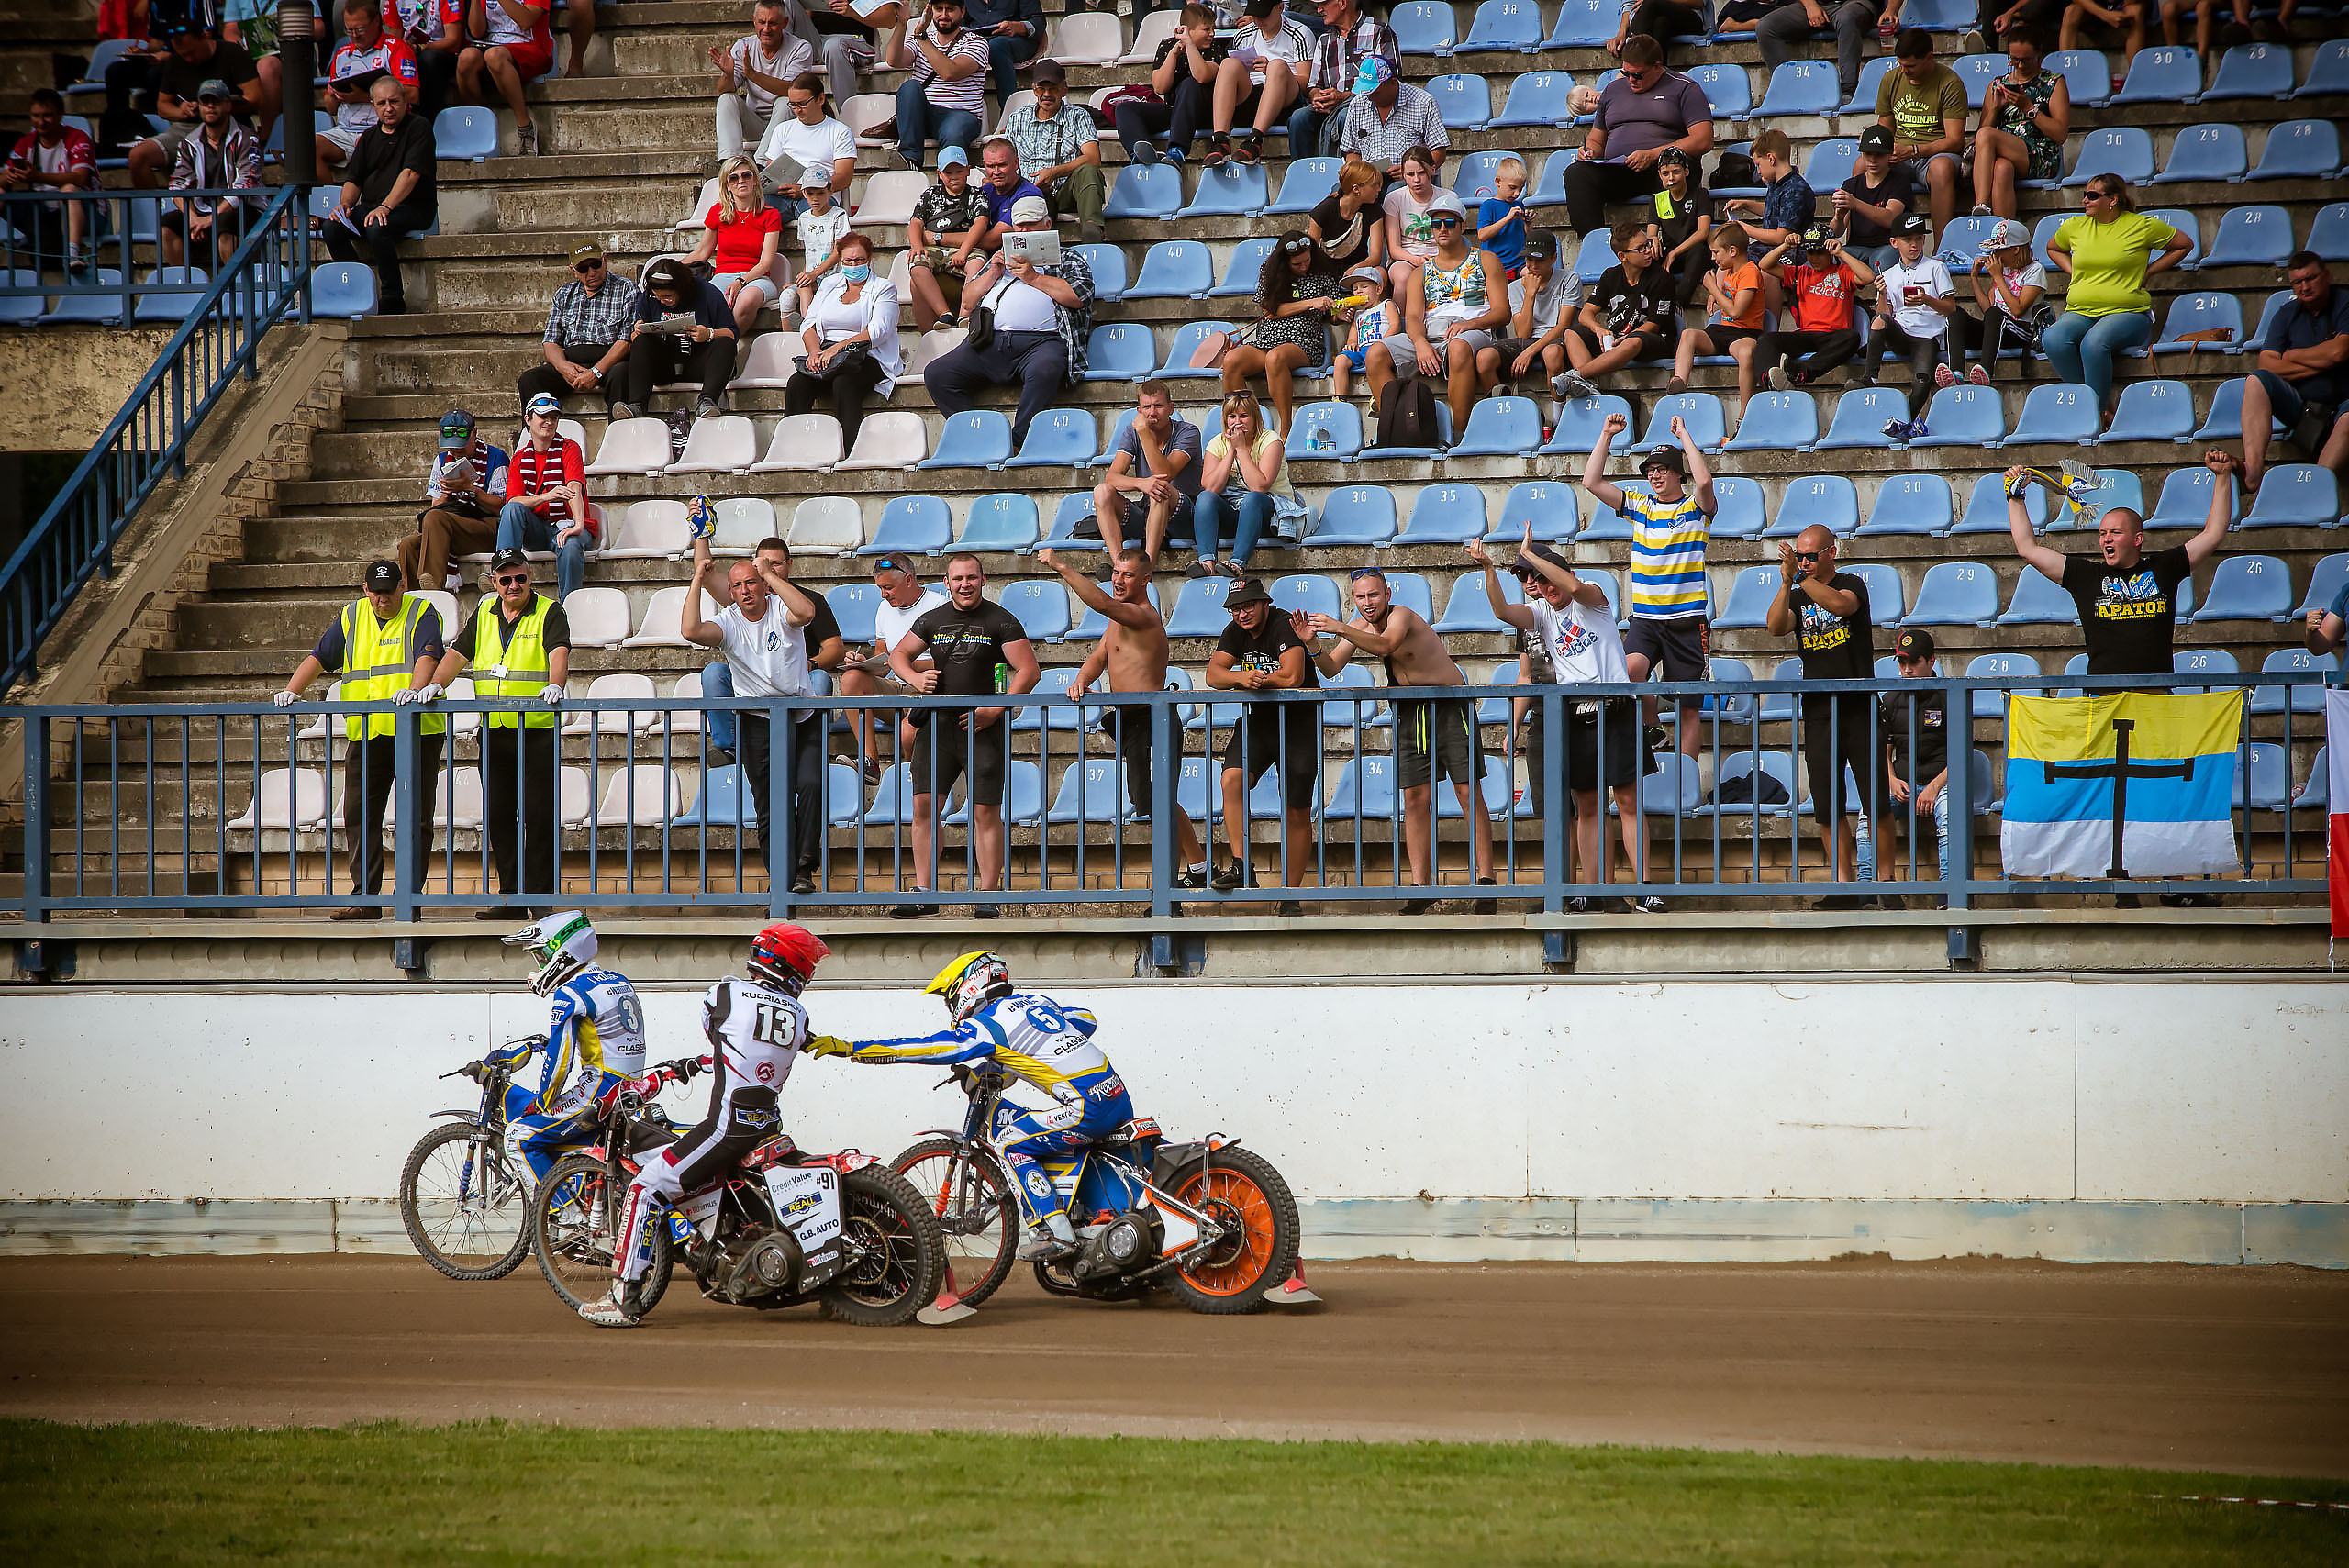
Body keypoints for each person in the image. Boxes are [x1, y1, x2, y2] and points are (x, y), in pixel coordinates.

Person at [803, 950, 1130, 1262]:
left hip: (1087, 1108)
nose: (952, 1006)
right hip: (1117, 1095)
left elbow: (927, 1048)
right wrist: (1011, 1061)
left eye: (951, 997)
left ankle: (1055, 1233)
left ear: (969, 985)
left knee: (1011, 1141)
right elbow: (1086, 1019)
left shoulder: (986, 1025)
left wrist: (852, 1049)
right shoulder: (1036, 1003)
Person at [580, 920, 831, 1325]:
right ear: (791, 968)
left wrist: (674, 1071)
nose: (806, 975)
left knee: (646, 1187)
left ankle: (623, 1299)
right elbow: (746, 1055)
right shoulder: (799, 1015)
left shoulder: (726, 992)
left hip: (726, 1127)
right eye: (805, 968)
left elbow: (719, 1037)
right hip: (766, 1123)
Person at [1468, 528, 1655, 913]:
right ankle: (1591, 891)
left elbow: (1572, 585)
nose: (1542, 585)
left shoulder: (1594, 601)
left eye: (1547, 577)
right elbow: (1503, 612)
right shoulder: (1539, 614)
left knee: (1628, 802)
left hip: (1615, 708)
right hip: (1573, 714)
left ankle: (1646, 888)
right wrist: (1489, 567)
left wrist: (1532, 556)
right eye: (1535, 580)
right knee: (1586, 807)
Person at [1299, 568, 1497, 914]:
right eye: (1360, 597)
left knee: (1466, 791)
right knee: (1415, 798)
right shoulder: (1359, 624)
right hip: (1410, 711)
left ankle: (1486, 881)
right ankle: (1422, 885)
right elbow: (1330, 668)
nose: (1367, 603)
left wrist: (1339, 627)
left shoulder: (1402, 615)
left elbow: (1387, 644)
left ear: (1387, 594)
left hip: (1449, 706)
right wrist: (1313, 644)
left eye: (1372, 595)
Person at [272, 560, 446, 921]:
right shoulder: (352, 616)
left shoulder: (422, 612)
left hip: (415, 730)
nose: (383, 599)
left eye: (389, 591)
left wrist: (414, 691)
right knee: (358, 813)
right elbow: (321, 656)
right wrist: (291, 690)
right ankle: (365, 897)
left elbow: (428, 656)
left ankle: (408, 900)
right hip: (367, 733)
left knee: (416, 818)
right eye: (376, 592)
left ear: (402, 586)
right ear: (366, 590)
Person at [1040, 548, 1208, 882]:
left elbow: (1102, 604)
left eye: (1127, 575)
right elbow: (1099, 657)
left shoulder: (1144, 615)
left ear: (1145, 580)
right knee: (1153, 802)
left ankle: (1179, 880)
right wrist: (1081, 681)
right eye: (1116, 573)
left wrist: (1060, 565)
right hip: (1130, 721)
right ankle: (1192, 871)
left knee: (1158, 801)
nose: (1118, 580)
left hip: (1153, 717)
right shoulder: (1117, 624)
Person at [888, 554, 1042, 918]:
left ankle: (989, 895)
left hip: (982, 728)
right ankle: (924, 892)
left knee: (985, 811)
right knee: (923, 807)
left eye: (971, 577)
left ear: (983, 579)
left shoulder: (1000, 619)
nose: (965, 584)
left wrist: (997, 708)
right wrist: (914, 678)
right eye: (957, 578)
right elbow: (898, 655)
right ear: (946, 582)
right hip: (937, 728)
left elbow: (1029, 670)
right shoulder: (933, 619)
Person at [421, 549, 568, 917]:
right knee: (500, 815)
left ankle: (540, 898)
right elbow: (458, 655)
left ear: (530, 577)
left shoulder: (550, 610)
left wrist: (556, 685)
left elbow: (558, 652)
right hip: (496, 729)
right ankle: (512, 897)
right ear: (494, 582)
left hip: (536, 730)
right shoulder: (485, 613)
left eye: (520, 578)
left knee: (539, 815)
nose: (513, 585)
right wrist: (437, 684)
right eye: (505, 579)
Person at [2004, 449, 2232, 683]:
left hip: (2155, 698)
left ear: (2137, 539)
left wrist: (2223, 476)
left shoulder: (2163, 568)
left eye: (2115, 532)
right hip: (2105, 700)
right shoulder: (2086, 576)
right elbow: (2027, 549)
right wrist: (2015, 496)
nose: (2107, 539)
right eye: (2103, 533)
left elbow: (2214, 533)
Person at [683, 534, 828, 895]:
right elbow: (690, 631)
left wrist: (770, 575)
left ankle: (804, 869)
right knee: (768, 802)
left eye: (751, 582)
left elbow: (807, 612)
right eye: (737, 586)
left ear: (763, 584)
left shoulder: (781, 607)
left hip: (801, 714)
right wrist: (698, 579)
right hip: (758, 722)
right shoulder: (729, 621)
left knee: (809, 786)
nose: (746, 590)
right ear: (730, 592)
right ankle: (781, 878)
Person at [1582, 413, 1716, 764]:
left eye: (1662, 469)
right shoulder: (1641, 507)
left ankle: (1685, 776)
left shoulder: (1695, 508)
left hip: (1688, 620)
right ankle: (1652, 724)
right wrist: (1606, 434)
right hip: (1646, 619)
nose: (1654, 475)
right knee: (1629, 671)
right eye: (1650, 470)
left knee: (1688, 707)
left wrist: (1684, 434)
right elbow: (1591, 481)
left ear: (1677, 474)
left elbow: (1704, 480)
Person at [481, 912, 649, 1182]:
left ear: (563, 952)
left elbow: (560, 1062)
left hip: (599, 1089)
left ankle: (560, 1214)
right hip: (631, 1088)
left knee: (518, 1137)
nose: (540, 965)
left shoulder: (571, 992)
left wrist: (542, 1101)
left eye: (542, 956)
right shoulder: (617, 980)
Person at [1765, 524, 1882, 909]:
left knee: (1875, 800)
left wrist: (1799, 577)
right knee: (1828, 806)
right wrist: (1786, 586)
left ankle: (1886, 882)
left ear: (1832, 552)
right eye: (1799, 555)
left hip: (1859, 708)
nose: (1804, 561)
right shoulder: (1798, 592)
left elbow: (1841, 606)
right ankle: (1843, 886)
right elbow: (1775, 628)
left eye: (1811, 556)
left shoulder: (1852, 583)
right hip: (1819, 711)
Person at [925, 194, 1096, 448]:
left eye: (1031, 225)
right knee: (937, 374)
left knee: (1045, 370)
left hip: (1043, 342)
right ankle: (982, 440)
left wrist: (1034, 278)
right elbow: (968, 301)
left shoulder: (1068, 258)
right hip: (990, 340)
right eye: (1019, 225)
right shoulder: (1000, 258)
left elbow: (1079, 296)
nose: (1024, 231)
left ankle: (1019, 441)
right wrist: (993, 271)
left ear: (1047, 225)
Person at [1203, 577, 1319, 912]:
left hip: (1298, 723)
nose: (1241, 614)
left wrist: (1259, 679)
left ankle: (1290, 894)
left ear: (1264, 603)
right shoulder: (1234, 630)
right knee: (1231, 778)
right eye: (1235, 608)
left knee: (1296, 809)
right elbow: (1213, 674)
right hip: (1261, 721)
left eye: (1248, 606)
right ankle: (1241, 867)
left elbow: (1292, 676)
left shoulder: (1283, 624)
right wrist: (1241, 677)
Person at [2042, 178, 2188, 421]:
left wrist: (2150, 271)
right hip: (2081, 312)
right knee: (2053, 338)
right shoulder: (2075, 226)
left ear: (2113, 199)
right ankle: (2093, 405)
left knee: (2093, 343)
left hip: (2128, 313)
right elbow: (2053, 248)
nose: (2084, 200)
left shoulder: (2141, 225)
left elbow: (2183, 244)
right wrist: (2072, 271)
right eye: (2084, 194)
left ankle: (2094, 415)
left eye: (2092, 195)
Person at [1369, 189, 1508, 435]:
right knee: (1376, 353)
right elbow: (1412, 317)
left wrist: (1470, 325)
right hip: (1431, 331)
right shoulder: (1420, 272)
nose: (1442, 229)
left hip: (1473, 329)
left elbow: (1502, 313)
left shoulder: (1486, 259)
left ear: (1462, 226)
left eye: (1449, 223)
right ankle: (1398, 429)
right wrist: (1420, 343)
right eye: (1436, 223)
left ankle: (1459, 434)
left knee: (1458, 347)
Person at [700, 534, 845, 770]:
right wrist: (701, 535)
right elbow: (705, 575)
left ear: (789, 564)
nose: (768, 568)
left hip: (798, 679)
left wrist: (812, 664)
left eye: (775, 563)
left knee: (819, 679)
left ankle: (809, 747)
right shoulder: (748, 594)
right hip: (753, 678)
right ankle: (731, 748)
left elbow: (835, 648)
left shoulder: (809, 600)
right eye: (763, 563)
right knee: (714, 672)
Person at [1560, 34, 1714, 239]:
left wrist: (1652, 155)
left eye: (1638, 75)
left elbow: (1704, 140)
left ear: (1657, 66)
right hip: (1620, 168)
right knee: (1576, 174)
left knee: (1675, 176)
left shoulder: (1684, 87)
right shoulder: (1613, 90)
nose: (1631, 80)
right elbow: (1597, 139)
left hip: (1665, 168)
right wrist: (1590, 151)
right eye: (1626, 73)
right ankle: (1593, 244)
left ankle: (1670, 246)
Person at [2237, 253, 2349, 499]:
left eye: (2310, 278)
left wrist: (2291, 355)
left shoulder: (2344, 303)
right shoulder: (2287, 313)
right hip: (2304, 410)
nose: (2304, 287)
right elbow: (2267, 363)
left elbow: (2341, 351)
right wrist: (2324, 360)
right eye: (2297, 282)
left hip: (2343, 405)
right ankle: (2253, 472)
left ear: (2326, 276)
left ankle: (2315, 491)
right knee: (2256, 380)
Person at [323, 76, 436, 316]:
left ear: (405, 101)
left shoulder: (419, 127)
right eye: (382, 103)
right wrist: (344, 206)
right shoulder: (369, 138)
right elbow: (354, 179)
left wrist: (385, 206)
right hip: (373, 207)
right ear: (372, 104)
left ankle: (393, 297)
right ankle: (358, 290)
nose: (389, 108)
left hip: (413, 208)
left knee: (376, 226)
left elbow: (411, 173)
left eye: (394, 101)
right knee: (332, 227)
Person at [782, 231, 901, 450]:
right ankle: (793, 448)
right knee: (797, 383)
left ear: (869, 259)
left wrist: (836, 350)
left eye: (859, 260)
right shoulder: (830, 284)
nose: (853, 265)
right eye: (848, 260)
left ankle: (850, 450)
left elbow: (878, 331)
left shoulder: (884, 288)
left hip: (868, 355)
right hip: (827, 354)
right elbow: (809, 323)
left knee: (844, 382)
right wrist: (815, 352)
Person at [1858, 628, 1952, 907]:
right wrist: (1891, 780)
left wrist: (1934, 787)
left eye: (1914, 663)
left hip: (1943, 783)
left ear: (1931, 661)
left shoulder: (1951, 696)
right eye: (1902, 664)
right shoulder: (1891, 699)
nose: (1907, 670)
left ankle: (1949, 892)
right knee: (1868, 813)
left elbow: (1962, 755)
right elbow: (1882, 752)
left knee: (1949, 816)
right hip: (1903, 783)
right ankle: (1866, 889)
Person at [835, 553, 946, 783]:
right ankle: (870, 762)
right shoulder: (884, 609)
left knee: (910, 731)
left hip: (927, 689)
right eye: (880, 588)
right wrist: (861, 663)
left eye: (888, 588)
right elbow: (882, 661)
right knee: (851, 679)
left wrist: (906, 664)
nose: (884, 595)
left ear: (908, 580)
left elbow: (948, 661)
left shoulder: (937, 605)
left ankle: (911, 779)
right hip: (897, 686)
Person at [1224, 232, 1341, 436]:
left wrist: (1339, 314)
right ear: (1284, 263)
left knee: (1275, 357)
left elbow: (1334, 313)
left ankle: (1286, 428)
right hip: (1267, 339)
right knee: (1232, 360)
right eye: (1297, 264)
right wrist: (1310, 303)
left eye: (1307, 260)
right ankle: (1242, 429)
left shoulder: (1324, 272)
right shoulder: (1270, 272)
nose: (1304, 266)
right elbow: (1271, 311)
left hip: (1304, 342)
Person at [1553, 220, 1681, 400]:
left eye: (1647, 245)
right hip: (1618, 339)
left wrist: (1624, 339)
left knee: (1634, 341)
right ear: (1623, 256)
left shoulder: (1661, 278)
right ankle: (1589, 384)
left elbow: (1653, 325)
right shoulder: (1610, 275)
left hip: (1655, 340)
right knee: (1571, 333)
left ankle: (1577, 375)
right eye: (1640, 248)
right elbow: (1585, 314)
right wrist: (1598, 329)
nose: (1648, 251)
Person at [128, 21, 262, 191]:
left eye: (192, 52)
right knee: (138, 156)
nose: (189, 59)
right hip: (185, 128)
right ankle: (156, 212)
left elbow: (256, 97)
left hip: (228, 125)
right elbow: (163, 107)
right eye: (184, 55)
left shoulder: (231, 53)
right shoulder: (176, 62)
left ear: (205, 37)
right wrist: (180, 111)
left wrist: (219, 108)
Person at [395, 408, 509, 595]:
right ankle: (415, 599)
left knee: (435, 518)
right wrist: (447, 492)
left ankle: (433, 583)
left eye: (461, 444)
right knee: (408, 545)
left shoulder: (496, 458)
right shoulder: (441, 461)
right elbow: (435, 508)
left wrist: (470, 490)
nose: (456, 449)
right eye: (451, 445)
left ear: (475, 433)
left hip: (487, 527)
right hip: (451, 525)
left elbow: (502, 508)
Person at [516, 242, 639, 415]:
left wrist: (596, 372)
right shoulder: (564, 294)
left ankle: (619, 433)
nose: (591, 273)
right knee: (530, 379)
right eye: (583, 269)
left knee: (622, 373)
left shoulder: (626, 289)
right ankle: (536, 438)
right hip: (571, 359)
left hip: (609, 360)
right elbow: (551, 341)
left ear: (605, 260)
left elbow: (626, 341)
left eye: (595, 265)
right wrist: (563, 367)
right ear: (573, 270)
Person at [1091, 379, 1203, 562]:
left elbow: (1165, 474)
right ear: (1139, 411)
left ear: (1171, 408)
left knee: (1160, 488)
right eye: (1147, 407)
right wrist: (1141, 483)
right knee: (1102, 492)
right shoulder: (1131, 432)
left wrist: (1144, 433)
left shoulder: (1188, 432)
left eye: (1158, 406)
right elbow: (1111, 478)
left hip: (1184, 515)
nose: (1152, 412)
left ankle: (1147, 568)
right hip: (1148, 512)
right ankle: (1120, 565)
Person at [1195, 394, 1303, 576]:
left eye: (1244, 416)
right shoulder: (1217, 443)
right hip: (1235, 511)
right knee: (1205, 498)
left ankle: (1237, 563)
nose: (1237, 422)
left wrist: (1242, 450)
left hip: (1270, 513)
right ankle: (1207, 563)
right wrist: (1231, 450)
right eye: (1232, 417)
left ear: (1255, 418)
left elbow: (1259, 487)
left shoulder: (1271, 441)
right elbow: (1210, 487)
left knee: (1253, 498)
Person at [498, 393, 594, 602]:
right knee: (512, 510)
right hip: (538, 528)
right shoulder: (520, 458)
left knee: (571, 542)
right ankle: (503, 577)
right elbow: (513, 502)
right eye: (543, 416)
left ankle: (569, 608)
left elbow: (575, 487)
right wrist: (546, 497)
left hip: (569, 524)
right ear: (528, 420)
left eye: (554, 417)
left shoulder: (569, 448)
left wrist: (578, 524)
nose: (549, 422)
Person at [618, 257, 737, 422]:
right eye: (657, 296)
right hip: (665, 364)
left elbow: (732, 334)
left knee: (725, 344)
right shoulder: (648, 297)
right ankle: (637, 404)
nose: (662, 301)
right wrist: (637, 332)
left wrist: (709, 334)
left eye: (668, 297)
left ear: (682, 289)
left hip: (698, 362)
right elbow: (634, 338)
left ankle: (707, 400)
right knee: (641, 341)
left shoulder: (708, 293)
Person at [1871, 212, 1958, 437]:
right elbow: (1885, 315)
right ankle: (1869, 377)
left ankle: (1905, 423)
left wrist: (1925, 299)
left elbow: (1951, 308)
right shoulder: (1888, 275)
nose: (1914, 244)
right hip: (1900, 332)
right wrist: (1882, 294)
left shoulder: (1936, 267)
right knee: (1879, 321)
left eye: (1919, 238)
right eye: (1907, 240)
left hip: (1927, 336)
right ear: (1894, 243)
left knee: (1922, 380)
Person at [1969, 23, 2067, 222]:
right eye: (2014, 59)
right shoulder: (1997, 84)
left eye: (2026, 60)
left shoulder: (2053, 82)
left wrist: (2028, 109)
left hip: (2040, 153)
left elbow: (2060, 134)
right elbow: (1981, 136)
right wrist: (1996, 108)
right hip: (2004, 153)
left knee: (1988, 135)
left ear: (2039, 53)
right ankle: (2004, 238)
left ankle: (1981, 204)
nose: (2020, 65)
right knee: (2002, 168)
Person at [998, 58, 1104, 241]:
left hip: (1064, 192)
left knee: (1089, 170)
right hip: (1027, 192)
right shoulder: (1017, 118)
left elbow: (1093, 157)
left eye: (1053, 88)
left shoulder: (1078, 116)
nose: (1046, 94)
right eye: (1041, 89)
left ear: (1064, 89)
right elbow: (1005, 157)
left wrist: (1055, 172)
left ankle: (1092, 232)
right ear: (1034, 89)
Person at [681, 154, 786, 339]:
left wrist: (741, 281)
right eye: (734, 178)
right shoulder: (717, 212)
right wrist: (673, 268)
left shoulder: (771, 215)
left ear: (755, 180)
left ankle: (727, 344)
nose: (741, 181)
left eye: (747, 175)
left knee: (746, 300)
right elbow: (703, 252)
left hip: (757, 278)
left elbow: (766, 263)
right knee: (707, 301)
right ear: (727, 185)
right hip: (723, 276)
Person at [159, 76, 259, 271]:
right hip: (203, 210)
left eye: (217, 101)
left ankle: (235, 285)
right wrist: (193, 218)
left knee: (227, 222)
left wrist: (210, 220)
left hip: (244, 208)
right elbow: (177, 184)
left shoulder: (247, 138)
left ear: (228, 105)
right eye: (206, 102)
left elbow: (246, 184)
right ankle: (183, 285)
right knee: (168, 223)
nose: (211, 106)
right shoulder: (189, 142)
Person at [1876, 29, 1966, 239]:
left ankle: (1941, 245)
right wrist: (1879, 144)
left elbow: (1954, 141)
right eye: (1901, 65)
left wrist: (1915, 150)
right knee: (1863, 164)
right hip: (1900, 154)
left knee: (1941, 168)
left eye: (1910, 66)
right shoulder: (1891, 79)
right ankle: (1868, 241)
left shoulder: (1949, 83)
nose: (1904, 71)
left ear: (1929, 58)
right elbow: (1886, 128)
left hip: (1935, 154)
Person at [1758, 226, 1873, 391]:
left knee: (1852, 337)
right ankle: (1770, 380)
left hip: (1835, 336)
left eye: (1819, 252)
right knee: (1766, 340)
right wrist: (1785, 246)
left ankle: (1800, 372)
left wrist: (1841, 253)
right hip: (1806, 334)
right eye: (1810, 252)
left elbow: (1868, 277)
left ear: (1829, 252)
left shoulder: (1843, 271)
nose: (1814, 258)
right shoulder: (1801, 272)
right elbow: (1765, 265)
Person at [1205, 0, 1311, 169]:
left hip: (1286, 101)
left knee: (1277, 66)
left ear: (1280, 8)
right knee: (1228, 64)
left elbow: (1307, 83)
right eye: (1254, 15)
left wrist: (1269, 70)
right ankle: (1220, 140)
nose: (1258, 20)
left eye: (1264, 15)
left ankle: (1255, 140)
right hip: (1251, 97)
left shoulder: (1300, 33)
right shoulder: (1243, 35)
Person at [885, 0, 989, 172]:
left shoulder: (977, 42)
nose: (943, 15)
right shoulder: (920, 38)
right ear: (930, 11)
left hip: (961, 114)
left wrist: (922, 38)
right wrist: (902, 24)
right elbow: (893, 60)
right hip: (925, 113)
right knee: (910, 87)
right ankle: (910, 161)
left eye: (950, 9)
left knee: (953, 132)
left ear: (962, 12)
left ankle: (949, 186)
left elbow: (949, 72)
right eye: (938, 9)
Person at [317, 0, 417, 176]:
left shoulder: (396, 49)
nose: (355, 35)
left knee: (366, 149)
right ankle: (331, 201)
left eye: (360, 29)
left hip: (383, 130)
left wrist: (362, 96)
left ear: (377, 21)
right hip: (345, 131)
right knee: (306, 150)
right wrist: (332, 96)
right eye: (349, 30)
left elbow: (413, 95)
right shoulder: (342, 55)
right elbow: (330, 108)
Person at [1672, 222, 1765, 412]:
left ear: (1732, 251)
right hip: (1721, 330)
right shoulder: (1728, 269)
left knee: (1747, 353)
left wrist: (1712, 287)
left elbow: (1736, 311)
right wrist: (1715, 292)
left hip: (1745, 333)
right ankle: (1678, 380)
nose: (1713, 258)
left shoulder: (1750, 272)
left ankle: (1745, 411)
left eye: (1716, 253)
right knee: (1688, 334)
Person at [5, 89, 98, 272]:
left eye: (47, 116)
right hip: (41, 213)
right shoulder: (26, 142)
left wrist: (37, 177)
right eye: (36, 116)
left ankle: (73, 254)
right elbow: (4, 176)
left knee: (69, 189)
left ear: (60, 115)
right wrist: (10, 176)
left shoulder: (77, 137)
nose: (41, 122)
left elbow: (80, 177)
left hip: (88, 211)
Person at [1288, 0, 1396, 159]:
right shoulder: (1324, 40)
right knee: (1298, 118)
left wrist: (1344, 97)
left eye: (1324, 4)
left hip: (1368, 104)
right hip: (1331, 106)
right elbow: (1313, 85)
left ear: (1342, 3)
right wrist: (1317, 96)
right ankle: (1302, 174)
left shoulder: (1379, 31)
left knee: (1346, 115)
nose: (1319, 10)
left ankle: (1347, 176)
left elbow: (1389, 81)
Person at [1119, 3, 1224, 166]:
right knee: (1124, 108)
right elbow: (1160, 87)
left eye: (1212, 28)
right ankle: (1139, 154)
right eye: (1206, 29)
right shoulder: (1167, 46)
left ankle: (1177, 151)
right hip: (1174, 111)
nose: (1212, 33)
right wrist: (1174, 53)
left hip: (1204, 113)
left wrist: (1190, 45)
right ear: (1187, 29)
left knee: (1190, 84)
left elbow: (1202, 76)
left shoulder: (1215, 49)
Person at [713, 0, 816, 159]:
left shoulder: (801, 48)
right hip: (755, 123)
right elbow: (723, 90)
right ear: (754, 20)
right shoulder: (743, 46)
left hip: (788, 125)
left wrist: (752, 74)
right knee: (726, 99)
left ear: (785, 23)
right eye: (761, 22)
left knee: (785, 102)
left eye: (773, 23)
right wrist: (728, 74)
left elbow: (791, 90)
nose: (766, 29)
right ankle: (730, 163)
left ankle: (761, 165)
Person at [754, 72, 858, 223]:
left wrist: (805, 189)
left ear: (820, 99)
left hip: (819, 197)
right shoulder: (783, 129)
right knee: (751, 209)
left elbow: (844, 178)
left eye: (802, 103)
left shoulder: (839, 131)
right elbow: (772, 172)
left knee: (819, 210)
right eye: (793, 104)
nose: (797, 110)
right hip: (782, 196)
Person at [457, 0, 555, 158]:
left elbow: (526, 21)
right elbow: (476, 31)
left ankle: (525, 127)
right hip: (491, 44)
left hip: (531, 47)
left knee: (494, 56)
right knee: (466, 58)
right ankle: (474, 125)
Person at [904, 144, 986, 331]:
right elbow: (916, 222)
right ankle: (945, 314)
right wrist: (917, 245)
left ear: (968, 171)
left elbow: (980, 223)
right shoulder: (930, 195)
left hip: (967, 247)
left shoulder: (976, 195)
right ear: (940, 174)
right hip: (935, 251)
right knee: (916, 263)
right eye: (949, 172)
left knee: (977, 264)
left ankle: (964, 314)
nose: (954, 176)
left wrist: (965, 250)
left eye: (959, 171)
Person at [1339, 55, 1446, 191]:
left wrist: (1410, 172)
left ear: (1393, 82)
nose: (1369, 97)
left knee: (1395, 191)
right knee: (1340, 192)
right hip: (1370, 181)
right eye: (1366, 92)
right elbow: (1352, 152)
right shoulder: (1357, 104)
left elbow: (1439, 152)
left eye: (1375, 92)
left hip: (1410, 181)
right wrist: (1361, 174)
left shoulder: (1424, 103)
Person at [1758, 0, 1891, 108]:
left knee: (1846, 18)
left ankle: (1848, 91)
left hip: (1857, 4)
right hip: (1818, 4)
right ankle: (1790, 91)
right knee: (1765, 27)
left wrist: (1891, 10)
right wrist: (1810, 5)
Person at [1495, 230, 1583, 394]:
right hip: (1528, 339)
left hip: (1557, 338)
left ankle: (1558, 414)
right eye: (1529, 260)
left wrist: (1530, 352)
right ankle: (1502, 402)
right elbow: (1522, 333)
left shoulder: (1570, 279)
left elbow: (1563, 326)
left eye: (1540, 261)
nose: (1533, 267)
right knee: (1485, 358)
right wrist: (1530, 293)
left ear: (1553, 258)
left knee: (1552, 353)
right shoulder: (1514, 287)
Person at [1720, 128, 1811, 276]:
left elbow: (1780, 237)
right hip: (1769, 248)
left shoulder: (1795, 189)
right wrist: (1747, 204)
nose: (1758, 171)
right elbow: (1777, 212)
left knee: (1740, 263)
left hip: (1790, 251)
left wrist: (1743, 228)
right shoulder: (1777, 183)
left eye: (1758, 165)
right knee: (1726, 259)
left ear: (1771, 159)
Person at [1833, 124, 1914, 275]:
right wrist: (1838, 217)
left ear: (1890, 155)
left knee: (1882, 263)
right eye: (1868, 154)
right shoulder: (1851, 185)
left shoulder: (1899, 182)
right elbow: (1837, 231)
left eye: (1879, 154)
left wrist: (1855, 204)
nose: (1873, 159)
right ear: (1862, 155)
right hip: (1856, 247)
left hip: (1888, 245)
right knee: (1826, 259)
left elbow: (1891, 218)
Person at [1645, 148, 1712, 308]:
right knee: (1648, 253)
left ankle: (1678, 305)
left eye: (1676, 172)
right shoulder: (1657, 200)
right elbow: (1651, 233)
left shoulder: (1700, 195)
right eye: (1665, 174)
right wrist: (1653, 240)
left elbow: (1703, 232)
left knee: (1699, 252)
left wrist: (1674, 253)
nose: (1671, 178)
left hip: (1691, 252)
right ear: (1660, 176)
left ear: (1686, 172)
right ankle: (1646, 303)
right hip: (1669, 251)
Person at [786, 165, 852, 318]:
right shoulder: (804, 218)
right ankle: (808, 320)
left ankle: (808, 321)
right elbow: (809, 252)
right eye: (810, 193)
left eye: (821, 193)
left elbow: (839, 251)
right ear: (803, 193)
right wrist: (804, 275)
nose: (815, 198)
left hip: (835, 276)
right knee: (802, 286)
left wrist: (813, 274)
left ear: (830, 191)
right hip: (813, 275)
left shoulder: (839, 215)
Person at [1378, 145, 1445, 294]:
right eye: (1410, 174)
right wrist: (1416, 260)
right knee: (1404, 278)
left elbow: (1453, 240)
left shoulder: (1447, 198)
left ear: (1433, 170)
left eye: (1421, 173)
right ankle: (1400, 317)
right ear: (1403, 175)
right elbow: (1394, 249)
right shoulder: (1394, 198)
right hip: (1404, 259)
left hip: (1440, 257)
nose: (1416, 180)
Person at [1308, 156, 1386, 276]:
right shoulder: (1326, 208)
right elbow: (1311, 250)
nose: (1379, 189)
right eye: (1374, 185)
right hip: (1326, 268)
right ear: (1356, 189)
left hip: (1359, 268)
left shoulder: (1374, 210)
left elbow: (1375, 257)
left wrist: (1356, 268)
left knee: (1381, 273)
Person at [388, 0, 468, 116]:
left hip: (444, 54)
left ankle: (430, 119)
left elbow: (454, 42)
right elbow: (393, 39)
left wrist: (421, 47)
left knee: (428, 59)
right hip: (411, 51)